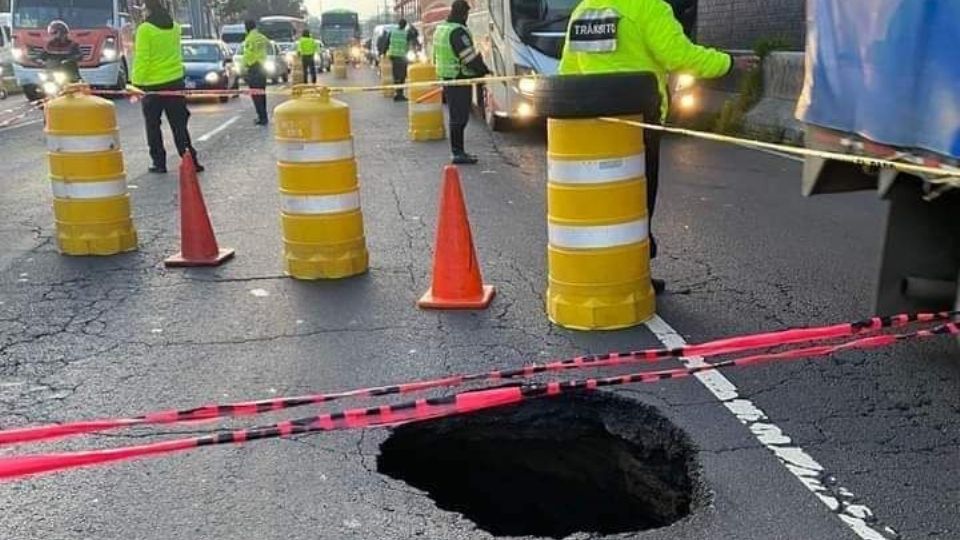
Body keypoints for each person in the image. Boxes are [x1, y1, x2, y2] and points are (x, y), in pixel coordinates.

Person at [558, 0, 758, 293]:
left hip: (594, 126)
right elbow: (678, 55)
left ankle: (601, 272)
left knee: (602, 203)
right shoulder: (648, 7)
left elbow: (569, 71)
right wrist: (727, 62)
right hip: (638, 122)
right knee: (638, 201)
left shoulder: (584, 10)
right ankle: (633, 272)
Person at [131, 0, 202, 174]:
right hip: (175, 83)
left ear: (147, 9)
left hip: (152, 86)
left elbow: (142, 59)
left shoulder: (145, 30)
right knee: (179, 125)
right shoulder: (175, 28)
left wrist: (135, 83)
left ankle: (159, 162)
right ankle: (190, 159)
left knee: (153, 126)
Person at [432, 0, 490, 165]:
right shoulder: (458, 32)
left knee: (456, 116)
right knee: (459, 118)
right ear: (464, 13)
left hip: (448, 77)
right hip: (458, 78)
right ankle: (457, 152)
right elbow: (469, 58)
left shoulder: (442, 29)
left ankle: (458, 151)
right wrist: (484, 70)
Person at [242, 19, 270, 125]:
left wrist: (244, 66)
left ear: (247, 28)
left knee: (255, 94)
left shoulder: (249, 39)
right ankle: (264, 116)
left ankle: (261, 117)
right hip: (262, 67)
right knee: (262, 93)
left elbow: (247, 55)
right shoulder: (261, 37)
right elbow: (268, 43)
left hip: (254, 68)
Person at [387, 19, 418, 101]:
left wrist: (383, 52)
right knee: (402, 76)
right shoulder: (406, 33)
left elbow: (387, 42)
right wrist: (413, 28)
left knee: (396, 75)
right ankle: (399, 94)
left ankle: (397, 93)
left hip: (393, 56)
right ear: (405, 25)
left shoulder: (392, 32)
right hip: (402, 57)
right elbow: (415, 35)